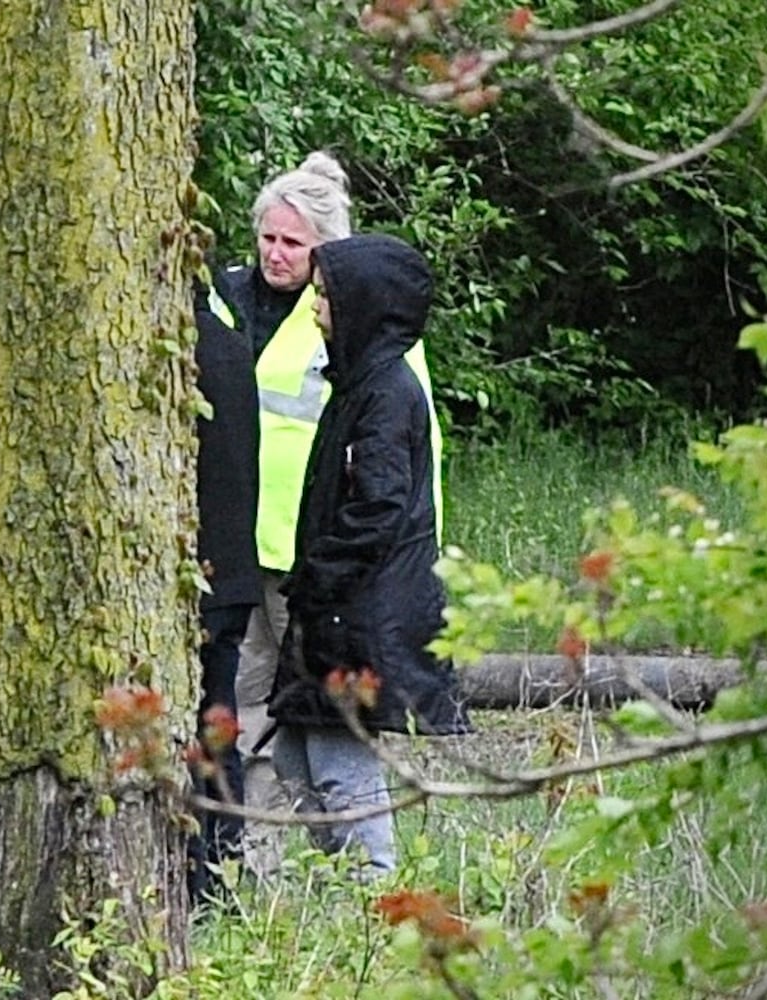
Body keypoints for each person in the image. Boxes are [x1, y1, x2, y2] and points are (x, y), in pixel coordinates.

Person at [209, 151, 444, 875]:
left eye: (294, 244)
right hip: (232, 544)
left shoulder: (365, 330)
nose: (276, 255)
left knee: (320, 723)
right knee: (252, 714)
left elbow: (405, 467)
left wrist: (394, 569)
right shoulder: (224, 298)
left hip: (315, 558)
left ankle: (347, 879)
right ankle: (249, 864)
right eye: (267, 238)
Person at [267, 233, 470, 875]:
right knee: (294, 758)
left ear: (362, 305)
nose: (314, 308)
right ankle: (347, 890)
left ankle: (371, 892)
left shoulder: (387, 394)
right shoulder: (357, 382)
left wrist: (320, 577)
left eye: (326, 297)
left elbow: (379, 506)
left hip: (356, 612)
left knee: (339, 768)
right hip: (335, 606)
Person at [186, 306, 262, 905]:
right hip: (233, 571)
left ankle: (202, 876)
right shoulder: (230, 346)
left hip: (203, 576)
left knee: (202, 738)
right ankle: (223, 870)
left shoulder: (183, 355)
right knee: (219, 733)